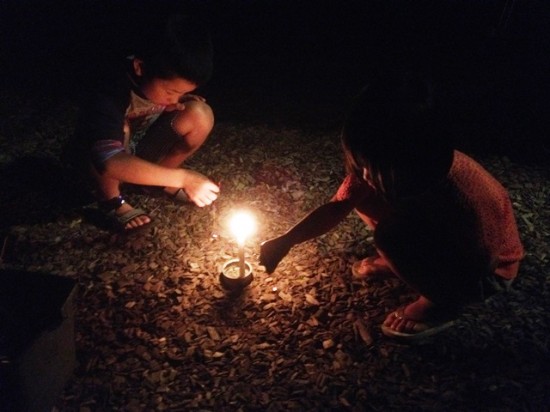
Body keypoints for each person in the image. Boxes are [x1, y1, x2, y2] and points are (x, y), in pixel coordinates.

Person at [259, 74, 524, 341]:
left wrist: (437, 284)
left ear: (409, 156)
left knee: (391, 236)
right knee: (362, 195)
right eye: (361, 162)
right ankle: (408, 262)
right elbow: (336, 208)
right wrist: (287, 240)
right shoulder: (397, 171)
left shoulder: (461, 195)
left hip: (486, 273)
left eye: (372, 165)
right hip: (444, 238)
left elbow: (481, 261)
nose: (364, 172)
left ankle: (437, 306)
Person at [63, 14, 219, 232]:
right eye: (171, 91)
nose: (175, 98)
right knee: (121, 129)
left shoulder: (160, 87)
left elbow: (165, 103)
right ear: (140, 67)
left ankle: (160, 179)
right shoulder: (109, 90)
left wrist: (177, 101)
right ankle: (111, 200)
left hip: (137, 149)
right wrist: (184, 178)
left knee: (199, 114)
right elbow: (108, 160)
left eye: (182, 92)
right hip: (100, 161)